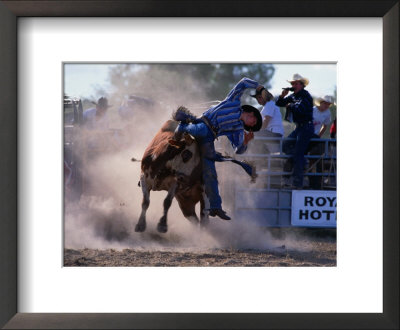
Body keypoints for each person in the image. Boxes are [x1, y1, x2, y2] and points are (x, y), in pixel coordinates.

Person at [169, 77, 264, 220]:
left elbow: (238, 150)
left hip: (209, 138)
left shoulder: (238, 130)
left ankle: (215, 206)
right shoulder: (233, 102)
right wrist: (258, 87)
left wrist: (245, 143)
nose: (252, 121)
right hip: (204, 125)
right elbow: (243, 82)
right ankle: (184, 126)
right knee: (200, 130)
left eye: (253, 123)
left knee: (210, 173)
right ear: (250, 113)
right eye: (253, 119)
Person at [276, 73, 314, 189]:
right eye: (292, 83)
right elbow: (279, 103)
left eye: (295, 83)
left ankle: (298, 184)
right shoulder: (293, 96)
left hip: (306, 128)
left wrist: (289, 105)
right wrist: (282, 96)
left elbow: (300, 109)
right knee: (285, 146)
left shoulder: (306, 96)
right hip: (299, 128)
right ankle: (302, 161)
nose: (293, 85)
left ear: (302, 85)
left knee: (298, 154)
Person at [308, 95, 334, 189]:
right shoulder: (312, 110)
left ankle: (318, 182)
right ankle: (312, 182)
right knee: (310, 159)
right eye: (325, 103)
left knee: (317, 159)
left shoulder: (327, 113)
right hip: (307, 135)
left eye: (328, 104)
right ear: (321, 102)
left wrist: (318, 136)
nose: (327, 105)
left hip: (315, 137)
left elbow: (325, 125)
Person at [251, 87, 284, 153]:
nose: (258, 100)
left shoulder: (269, 104)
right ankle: (261, 155)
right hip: (274, 134)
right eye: (257, 98)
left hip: (274, 134)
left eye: (260, 97)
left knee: (252, 134)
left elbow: (266, 121)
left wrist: (257, 130)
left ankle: (260, 155)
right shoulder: (269, 105)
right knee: (253, 134)